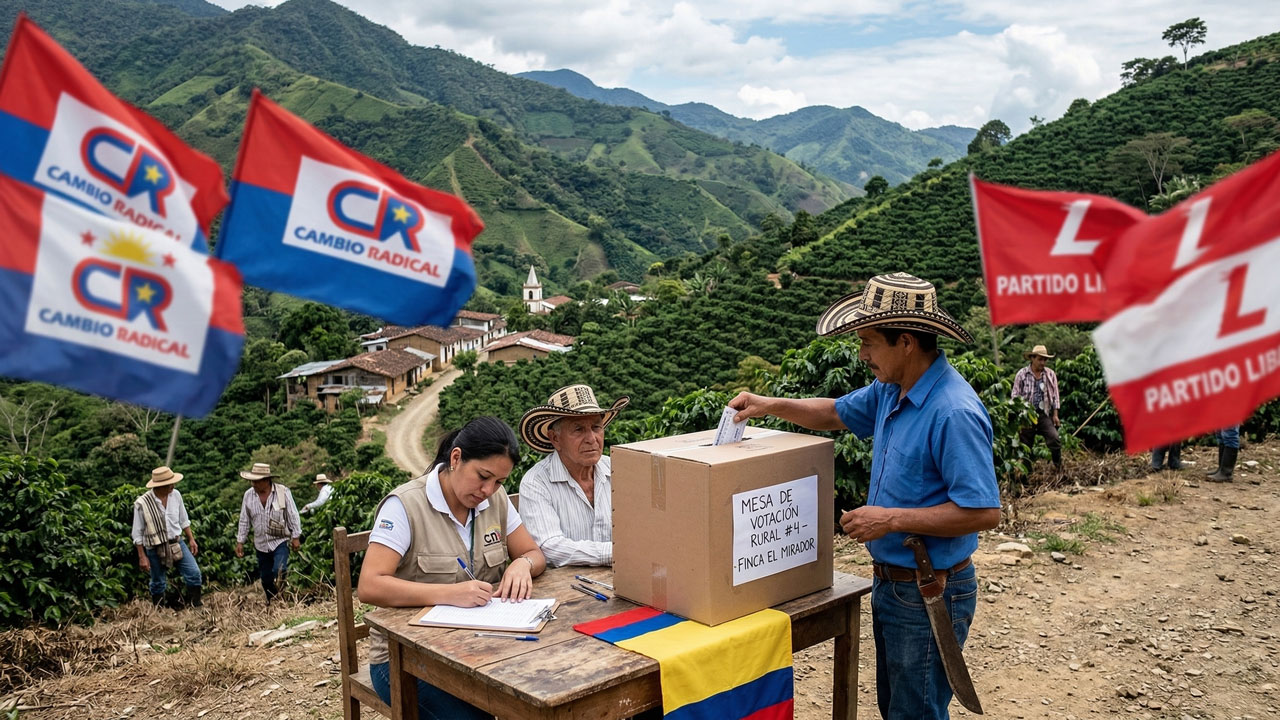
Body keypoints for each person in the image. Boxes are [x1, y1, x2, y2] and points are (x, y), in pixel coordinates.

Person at [729, 272, 1001, 720]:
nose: (862, 355)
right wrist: (770, 404)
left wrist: (891, 520)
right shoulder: (893, 390)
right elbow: (835, 411)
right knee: (899, 706)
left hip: (929, 589)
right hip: (895, 583)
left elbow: (984, 512)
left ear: (907, 341)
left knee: (916, 711)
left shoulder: (953, 412)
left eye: (870, 342)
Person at [358, 416, 546, 720]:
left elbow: (533, 553)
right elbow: (370, 585)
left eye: (498, 481)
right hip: (405, 660)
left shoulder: (495, 500)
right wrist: (449, 593)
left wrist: (522, 565)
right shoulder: (406, 505)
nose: (488, 490)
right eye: (482, 476)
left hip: (480, 650)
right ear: (456, 458)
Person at [517, 384, 629, 567]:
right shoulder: (536, 482)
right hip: (566, 589)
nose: (592, 439)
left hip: (624, 577)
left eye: (596, 427)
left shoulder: (619, 469)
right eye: (578, 429)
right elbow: (549, 547)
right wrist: (616, 553)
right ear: (555, 439)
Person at [132, 466, 203, 608]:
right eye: (169, 484)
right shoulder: (143, 503)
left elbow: (184, 519)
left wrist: (191, 538)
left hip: (176, 542)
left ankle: (196, 605)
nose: (173, 486)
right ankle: (159, 612)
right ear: (159, 486)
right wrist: (142, 556)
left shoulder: (175, 495)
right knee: (158, 582)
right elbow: (137, 532)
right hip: (154, 546)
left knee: (194, 573)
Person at [234, 463, 301, 603]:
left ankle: (281, 596)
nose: (253, 484)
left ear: (266, 481)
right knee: (266, 579)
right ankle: (273, 602)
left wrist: (295, 537)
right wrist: (240, 541)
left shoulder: (282, 492)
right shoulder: (249, 496)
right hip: (261, 544)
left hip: (279, 540)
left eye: (256, 481)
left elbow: (292, 514)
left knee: (279, 570)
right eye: (252, 481)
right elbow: (244, 519)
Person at [1011, 344, 1062, 468]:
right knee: (1026, 445)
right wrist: (1018, 415)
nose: (1042, 362)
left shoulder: (1050, 374)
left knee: (1054, 438)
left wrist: (1055, 415)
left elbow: (1055, 395)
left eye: (1044, 359)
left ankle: (1059, 467)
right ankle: (1026, 475)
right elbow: (1015, 396)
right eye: (1040, 359)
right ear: (1032, 358)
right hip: (1027, 415)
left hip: (1043, 414)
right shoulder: (1022, 374)